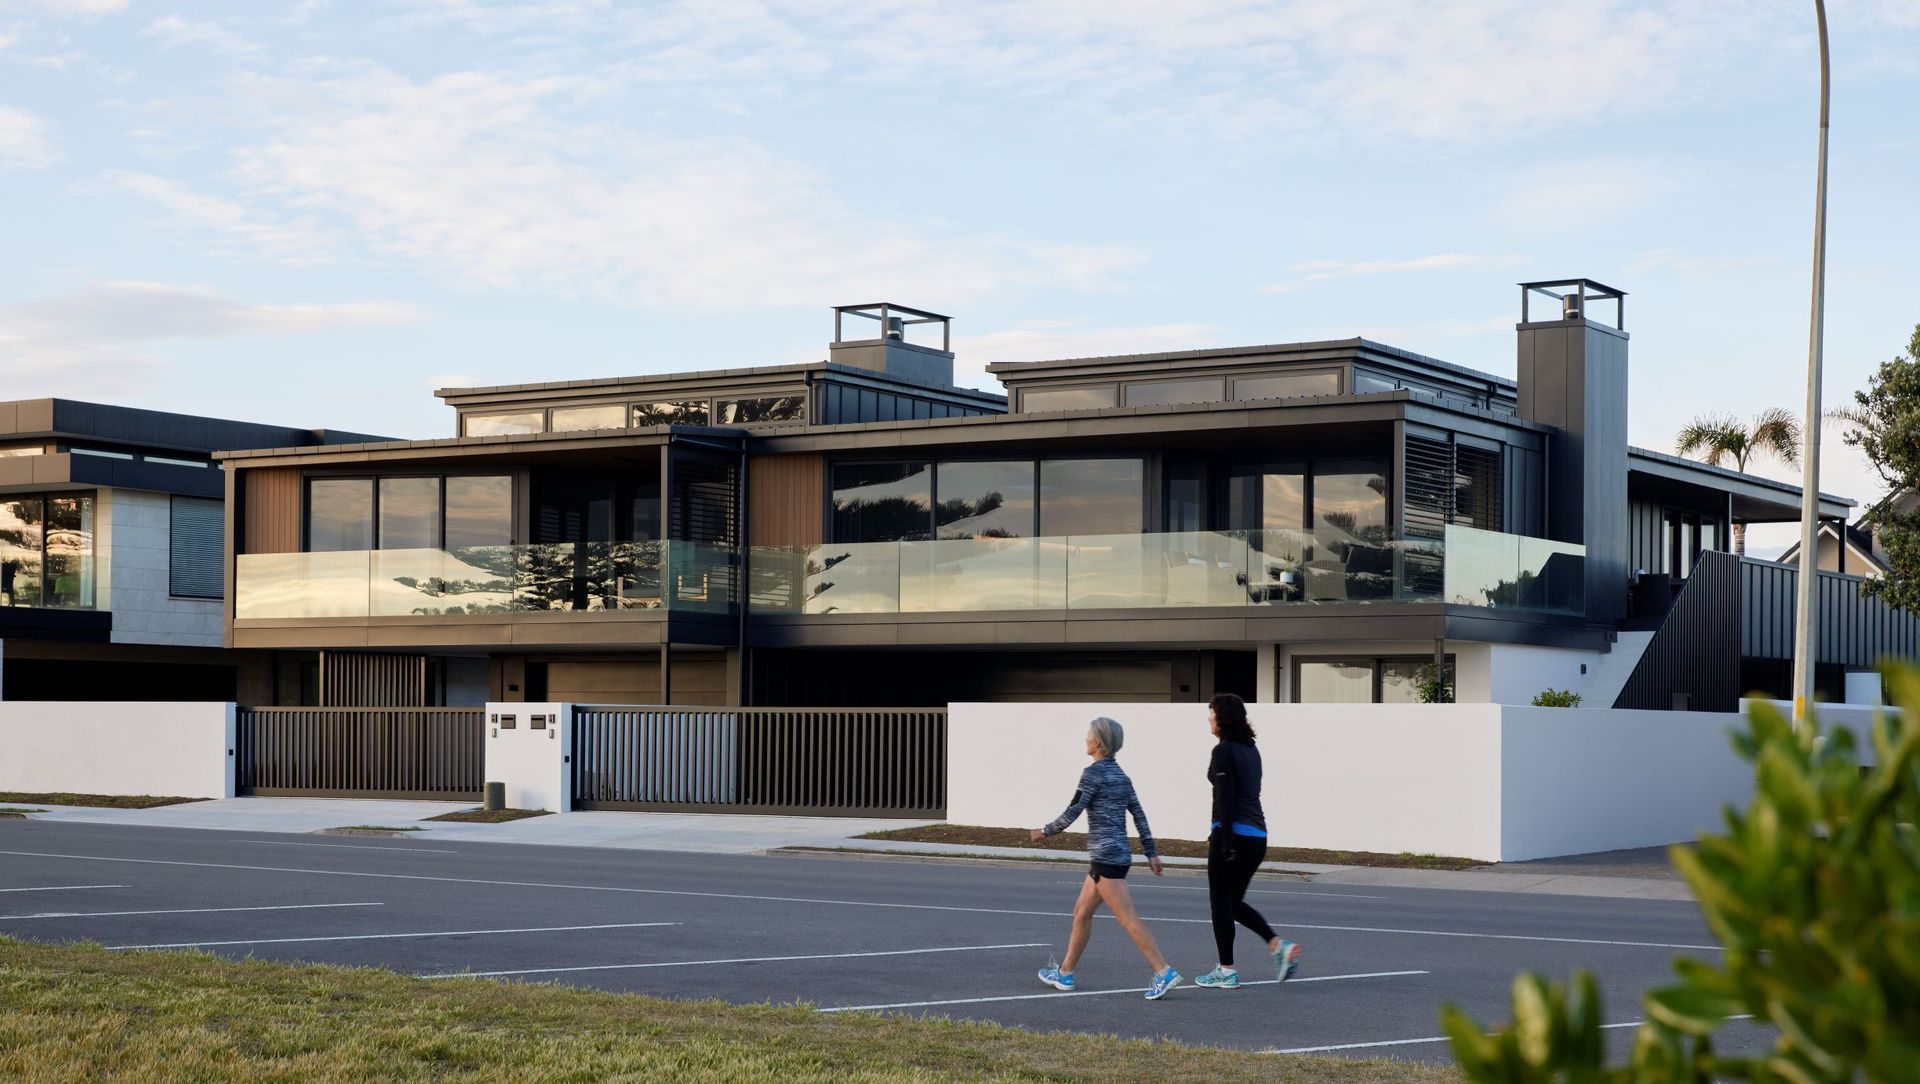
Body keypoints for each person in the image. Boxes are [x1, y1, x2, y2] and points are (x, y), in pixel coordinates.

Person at [1031, 715, 1182, 1000]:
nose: (1085, 740)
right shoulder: (1122, 777)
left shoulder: (1093, 774)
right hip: (1114, 856)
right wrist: (1150, 852)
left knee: (1127, 918)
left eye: (1088, 735)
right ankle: (1065, 972)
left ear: (1098, 742)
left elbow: (1073, 811)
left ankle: (1164, 971)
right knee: (1081, 912)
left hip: (1106, 859)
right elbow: (1139, 814)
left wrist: (1044, 831)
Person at [1194, 692, 1301, 990]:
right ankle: (1277, 945)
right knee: (1232, 902)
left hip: (1233, 835)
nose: (1208, 718)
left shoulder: (1224, 751)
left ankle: (1226, 971)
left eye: (1211, 713)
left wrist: (1224, 839)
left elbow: (1225, 797)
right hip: (1257, 837)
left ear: (1222, 718)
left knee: (1220, 904)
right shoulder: (1250, 750)